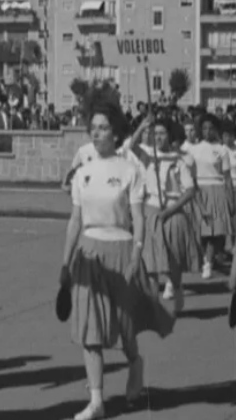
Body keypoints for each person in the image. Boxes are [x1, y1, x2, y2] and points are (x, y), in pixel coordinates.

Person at [60, 97, 174, 420]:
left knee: (125, 330)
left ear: (115, 132)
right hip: (88, 252)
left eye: (103, 128)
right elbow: (74, 221)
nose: (96, 134)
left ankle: (135, 364)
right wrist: (65, 263)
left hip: (122, 250)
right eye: (93, 128)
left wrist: (137, 254)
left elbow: (137, 217)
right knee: (89, 330)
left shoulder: (129, 170)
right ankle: (97, 401)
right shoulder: (82, 172)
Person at [128, 115, 197, 308]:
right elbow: (131, 146)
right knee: (150, 263)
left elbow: (190, 191)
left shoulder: (180, 160)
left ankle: (176, 286)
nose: (158, 137)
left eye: (162, 133)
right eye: (155, 133)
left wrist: (169, 211)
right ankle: (153, 305)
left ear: (170, 135)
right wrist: (142, 126)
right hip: (151, 210)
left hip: (172, 213)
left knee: (173, 261)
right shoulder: (149, 156)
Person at [184, 114, 233, 279]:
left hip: (218, 190)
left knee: (217, 232)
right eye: (204, 128)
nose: (207, 131)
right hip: (199, 189)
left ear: (215, 129)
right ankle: (206, 258)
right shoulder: (194, 149)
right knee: (202, 231)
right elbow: (189, 174)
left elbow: (226, 178)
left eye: (210, 128)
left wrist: (231, 198)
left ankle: (209, 261)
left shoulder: (222, 150)